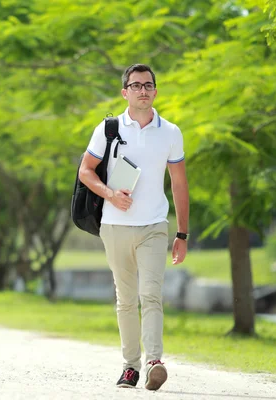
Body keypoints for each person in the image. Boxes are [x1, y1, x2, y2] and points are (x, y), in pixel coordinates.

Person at [78, 63, 189, 391]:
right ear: (125, 92)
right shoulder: (109, 129)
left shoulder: (171, 132)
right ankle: (130, 366)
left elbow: (179, 183)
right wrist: (110, 193)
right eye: (136, 85)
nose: (143, 90)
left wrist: (182, 233)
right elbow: (86, 171)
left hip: (154, 225)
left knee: (150, 294)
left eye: (148, 85)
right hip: (114, 226)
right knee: (126, 299)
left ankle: (154, 361)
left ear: (155, 91)